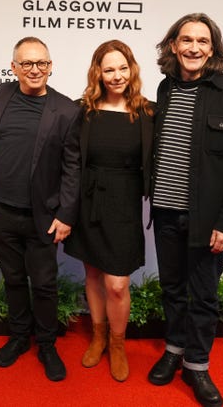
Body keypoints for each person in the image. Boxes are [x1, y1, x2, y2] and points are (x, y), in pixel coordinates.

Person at [147, 13, 223, 407]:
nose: (194, 48)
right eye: (186, 40)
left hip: (207, 220)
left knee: (204, 296)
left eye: (202, 41)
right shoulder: (165, 88)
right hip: (165, 213)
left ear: (213, 49)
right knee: (172, 289)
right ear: (173, 46)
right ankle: (174, 349)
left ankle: (197, 365)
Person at [0, 37, 81, 382]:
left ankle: (46, 344)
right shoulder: (2, 94)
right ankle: (18, 337)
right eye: (26, 63)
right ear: (13, 68)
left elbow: (74, 168)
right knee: (12, 279)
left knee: (43, 284)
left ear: (51, 66)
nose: (35, 70)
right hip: (1, 211)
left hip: (43, 217)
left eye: (41, 63)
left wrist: (66, 214)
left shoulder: (67, 110)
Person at [63, 40, 154, 382]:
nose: (116, 76)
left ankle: (117, 343)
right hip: (88, 203)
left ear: (131, 69)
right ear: (97, 73)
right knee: (92, 275)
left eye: (122, 68)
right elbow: (69, 160)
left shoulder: (147, 113)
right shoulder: (82, 110)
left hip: (125, 207)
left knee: (117, 283)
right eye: (108, 69)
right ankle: (98, 335)